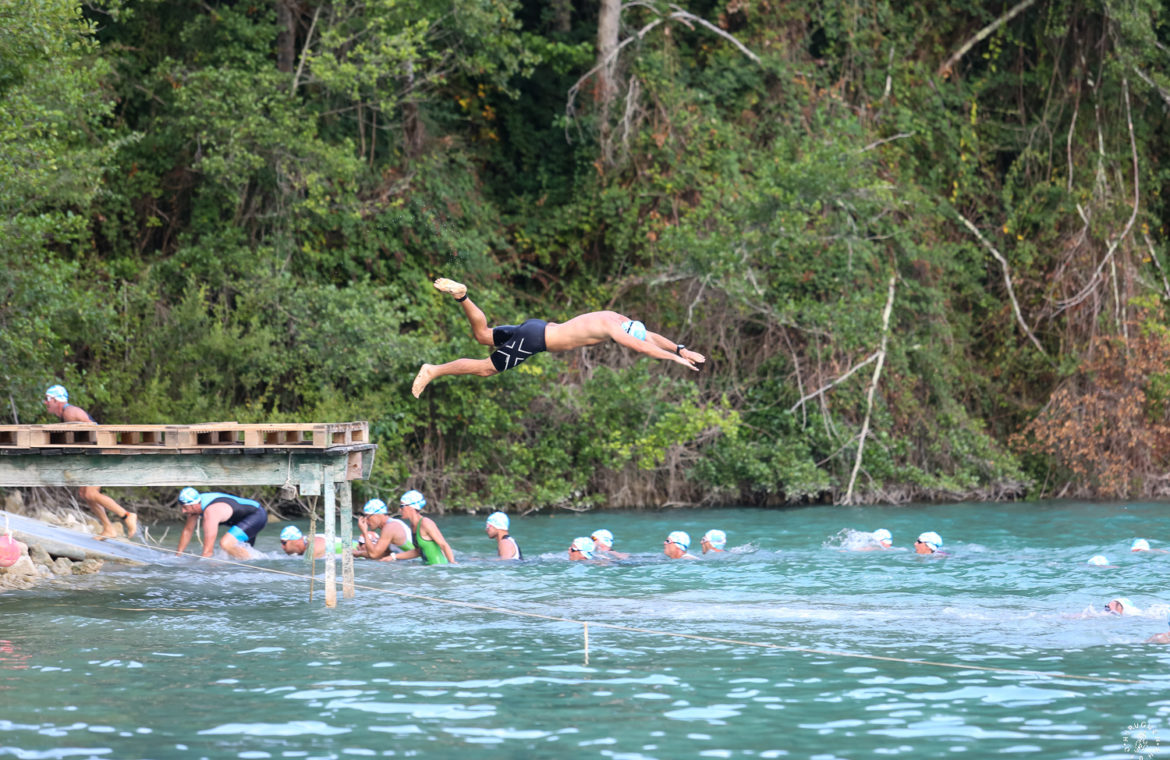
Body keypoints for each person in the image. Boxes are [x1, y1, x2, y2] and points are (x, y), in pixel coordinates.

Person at [411, 278, 706, 397]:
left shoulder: (620, 319)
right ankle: (433, 370)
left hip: (537, 327)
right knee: (487, 369)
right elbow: (645, 347)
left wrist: (681, 349)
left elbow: (649, 336)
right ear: (625, 333)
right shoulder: (615, 330)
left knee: (483, 335)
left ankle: (462, 297)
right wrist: (675, 361)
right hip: (536, 340)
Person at [43, 385, 138, 539]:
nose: (45, 402)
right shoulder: (65, 415)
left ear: (56, 400)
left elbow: (94, 429)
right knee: (84, 494)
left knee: (90, 493)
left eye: (47, 399)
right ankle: (108, 528)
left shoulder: (70, 412)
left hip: (101, 453)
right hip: (93, 455)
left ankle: (127, 516)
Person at [175, 487, 267, 560]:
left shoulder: (211, 512)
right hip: (242, 520)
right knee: (237, 557)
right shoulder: (194, 508)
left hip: (256, 515)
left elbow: (208, 553)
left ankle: (257, 564)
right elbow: (188, 530)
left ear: (194, 505)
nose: (183, 511)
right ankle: (257, 563)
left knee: (226, 544)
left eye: (185, 507)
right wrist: (178, 556)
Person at [385, 490, 455, 564]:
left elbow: (443, 544)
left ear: (411, 507)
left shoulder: (426, 523)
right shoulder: (413, 525)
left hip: (438, 568)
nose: (400, 509)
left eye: (402, 506)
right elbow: (418, 551)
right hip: (428, 569)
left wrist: (453, 564)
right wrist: (393, 557)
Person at [278, 526, 354, 559]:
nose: (282, 547)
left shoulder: (312, 540)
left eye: (284, 543)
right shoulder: (304, 547)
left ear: (295, 541)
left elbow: (318, 547)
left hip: (355, 546)